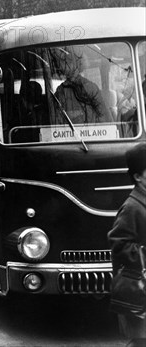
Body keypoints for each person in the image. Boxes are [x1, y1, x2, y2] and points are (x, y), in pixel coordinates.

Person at [108, 143, 146, 347]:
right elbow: (119, 243)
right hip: (139, 287)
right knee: (141, 341)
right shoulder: (131, 207)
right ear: (138, 177)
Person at [53, 47, 112, 124]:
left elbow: (104, 118)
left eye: (66, 62)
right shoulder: (61, 90)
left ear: (76, 64)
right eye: (62, 63)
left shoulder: (90, 88)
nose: (61, 67)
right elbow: (57, 119)